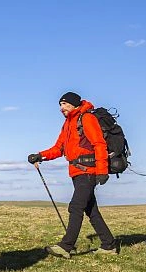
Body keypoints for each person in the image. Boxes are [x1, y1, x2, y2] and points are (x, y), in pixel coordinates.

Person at [28, 92, 118, 258]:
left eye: (65, 104)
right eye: (60, 105)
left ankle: (66, 246)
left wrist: (102, 171)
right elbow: (58, 149)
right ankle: (109, 245)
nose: (62, 108)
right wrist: (40, 155)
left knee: (76, 206)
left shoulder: (86, 119)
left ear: (74, 104)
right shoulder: (68, 124)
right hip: (77, 172)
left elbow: (99, 144)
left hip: (88, 171)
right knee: (92, 211)